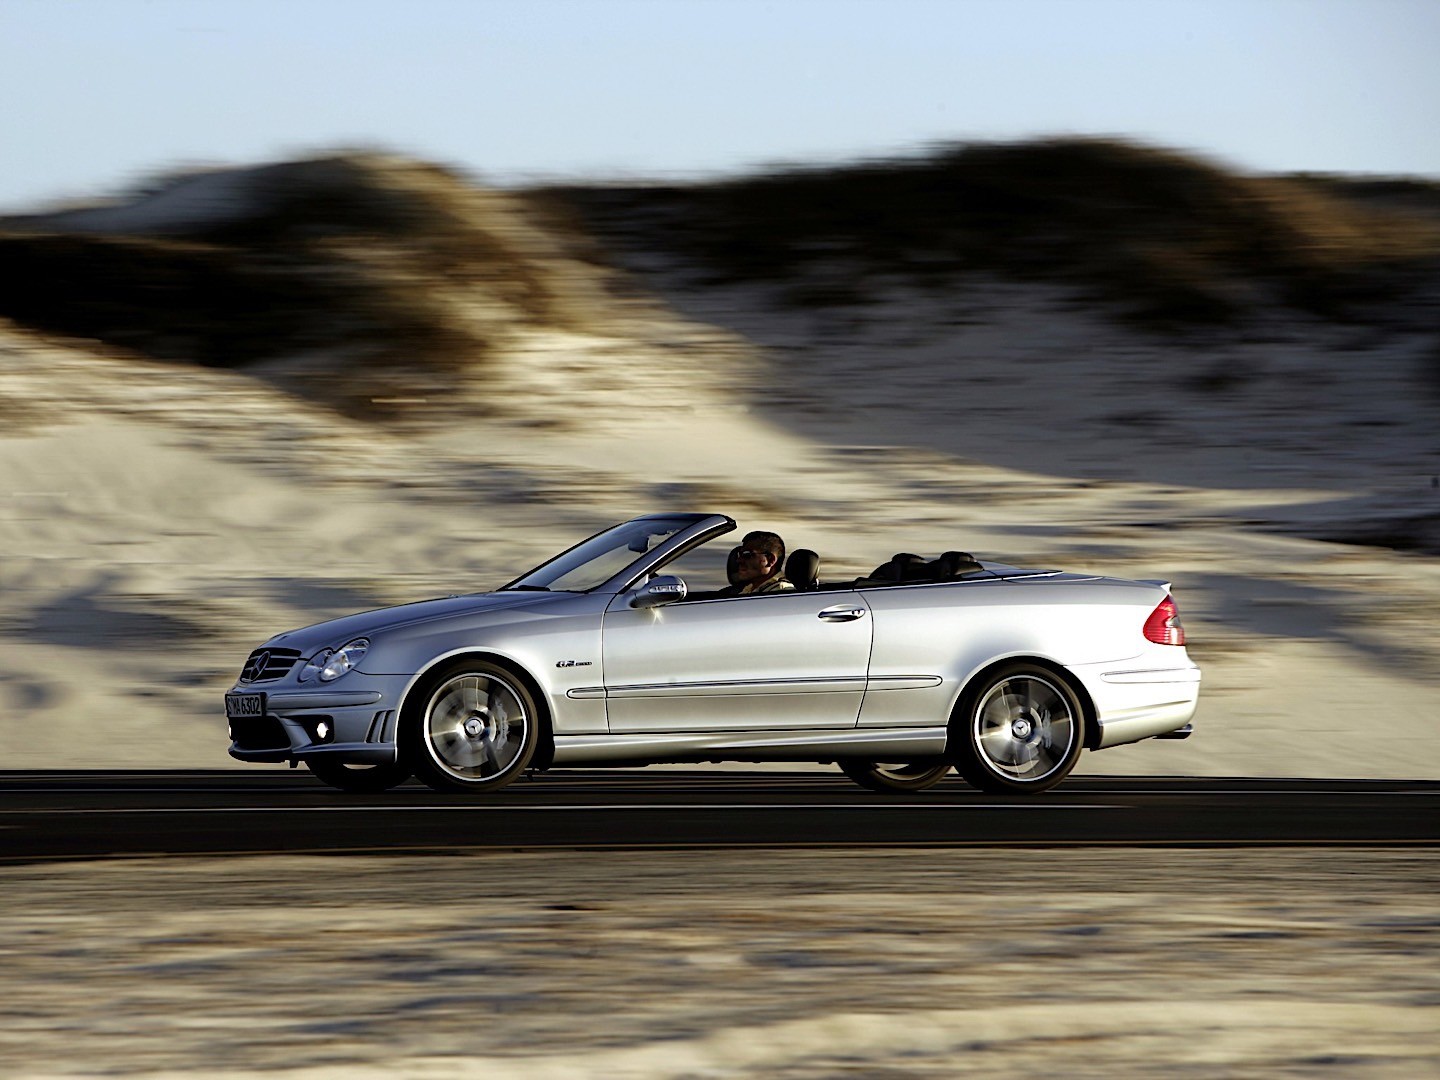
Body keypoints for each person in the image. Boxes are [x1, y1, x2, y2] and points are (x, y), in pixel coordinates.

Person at [721, 530, 794, 596]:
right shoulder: (750, 588)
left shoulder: (780, 593)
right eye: (740, 555)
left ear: (770, 560)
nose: (739, 560)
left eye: (747, 555)